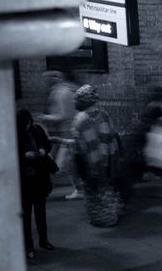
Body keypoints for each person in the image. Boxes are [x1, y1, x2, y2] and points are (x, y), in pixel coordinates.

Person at [71, 84, 123, 227]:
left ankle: (99, 217)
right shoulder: (104, 115)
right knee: (107, 190)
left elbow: (81, 145)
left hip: (91, 164)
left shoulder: (80, 119)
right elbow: (112, 138)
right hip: (107, 160)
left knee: (93, 192)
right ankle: (109, 215)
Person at [17, 109, 56, 259]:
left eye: (28, 123)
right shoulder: (15, 134)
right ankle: (28, 247)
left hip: (39, 177)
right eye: (25, 124)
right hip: (25, 180)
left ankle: (43, 240)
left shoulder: (36, 130)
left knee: (41, 211)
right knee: (26, 214)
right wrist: (24, 156)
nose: (27, 126)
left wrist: (42, 150)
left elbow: (47, 144)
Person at [39, 70, 83, 200]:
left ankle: (80, 189)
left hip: (67, 133)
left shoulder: (62, 93)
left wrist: (45, 117)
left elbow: (64, 115)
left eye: (49, 78)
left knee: (67, 164)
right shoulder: (65, 90)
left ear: (56, 78)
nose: (45, 82)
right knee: (69, 164)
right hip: (65, 132)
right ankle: (80, 189)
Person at [140, 83, 162, 180]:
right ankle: (154, 173)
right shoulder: (161, 105)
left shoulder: (151, 105)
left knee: (152, 154)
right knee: (156, 154)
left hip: (154, 132)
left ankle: (152, 173)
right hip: (157, 132)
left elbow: (145, 118)